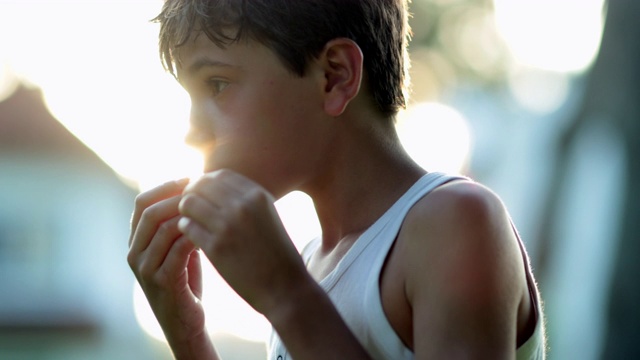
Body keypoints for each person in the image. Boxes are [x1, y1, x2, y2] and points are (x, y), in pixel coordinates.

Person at [127, 0, 546, 359]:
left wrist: (286, 296)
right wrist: (187, 334)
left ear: (335, 76)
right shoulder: (311, 263)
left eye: (217, 84)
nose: (191, 130)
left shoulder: (457, 221)